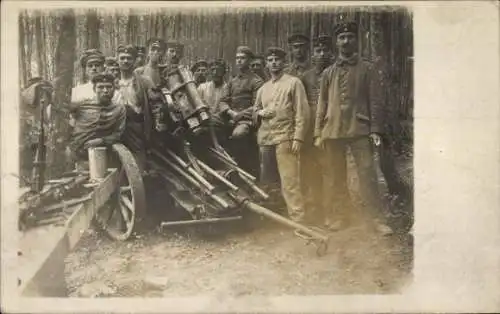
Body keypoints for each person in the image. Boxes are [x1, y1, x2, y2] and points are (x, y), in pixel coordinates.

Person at [314, 21, 392, 235]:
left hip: (360, 128)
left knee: (367, 173)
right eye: (341, 37)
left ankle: (375, 219)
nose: (346, 41)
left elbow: (375, 100)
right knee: (335, 175)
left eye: (349, 36)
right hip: (333, 129)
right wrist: (318, 132)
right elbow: (322, 104)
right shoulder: (328, 72)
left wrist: (375, 129)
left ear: (356, 40)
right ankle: (340, 216)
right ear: (336, 42)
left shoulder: (367, 68)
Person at [253, 47, 310, 224]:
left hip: (285, 138)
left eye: (277, 59)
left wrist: (298, 137)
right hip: (265, 139)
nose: (274, 63)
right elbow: (255, 111)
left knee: (290, 181)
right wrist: (261, 112)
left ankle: (298, 220)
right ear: (266, 64)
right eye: (270, 60)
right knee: (268, 181)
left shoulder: (294, 83)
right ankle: (273, 219)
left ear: (283, 62)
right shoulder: (263, 88)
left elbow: (303, 112)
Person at [300, 34, 334, 224]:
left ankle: (331, 212)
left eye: (325, 51)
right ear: (312, 55)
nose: (321, 54)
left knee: (330, 171)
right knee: (310, 171)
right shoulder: (306, 77)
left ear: (331, 53)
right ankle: (314, 211)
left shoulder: (335, 73)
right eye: (318, 51)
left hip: (329, 128)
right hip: (308, 130)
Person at [218, 46, 264, 177]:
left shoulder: (256, 81)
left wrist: (239, 115)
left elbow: (257, 105)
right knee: (210, 123)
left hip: (246, 119)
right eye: (237, 58)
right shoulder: (233, 81)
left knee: (238, 134)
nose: (239, 61)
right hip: (231, 116)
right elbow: (222, 100)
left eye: (242, 58)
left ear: (249, 61)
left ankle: (243, 167)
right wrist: (230, 112)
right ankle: (222, 163)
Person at [68, 72, 126, 166]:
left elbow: (118, 134)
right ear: (94, 89)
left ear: (114, 89)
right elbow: (59, 114)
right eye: (100, 87)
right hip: (76, 153)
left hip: (102, 154)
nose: (105, 90)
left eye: (109, 87)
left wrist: (100, 141)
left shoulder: (119, 109)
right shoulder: (81, 104)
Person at [114, 44, 155, 173]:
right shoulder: (111, 83)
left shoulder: (144, 81)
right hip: (115, 127)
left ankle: (138, 187)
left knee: (137, 162)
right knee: (116, 161)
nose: (125, 61)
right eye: (122, 58)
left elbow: (155, 103)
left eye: (129, 58)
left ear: (135, 60)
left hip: (136, 127)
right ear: (117, 59)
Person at [20, 78, 54, 184]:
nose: (43, 98)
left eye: (45, 94)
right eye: (40, 94)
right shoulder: (22, 112)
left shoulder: (44, 113)